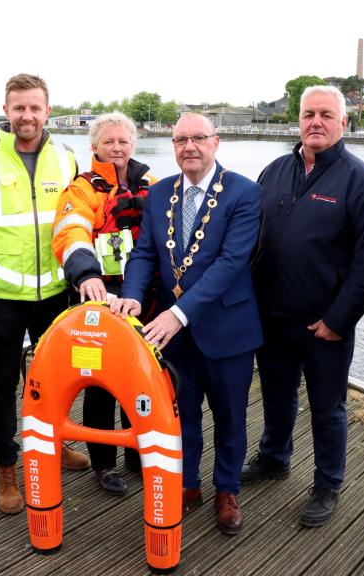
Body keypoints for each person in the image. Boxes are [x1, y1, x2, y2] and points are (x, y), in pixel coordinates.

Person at [242, 85, 364, 528]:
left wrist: (338, 319)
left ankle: (327, 483)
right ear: (299, 119)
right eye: (309, 114)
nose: (316, 122)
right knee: (276, 396)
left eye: (327, 114)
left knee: (328, 408)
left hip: (324, 324)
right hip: (271, 317)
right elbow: (248, 237)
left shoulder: (360, 181)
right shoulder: (274, 171)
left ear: (343, 123)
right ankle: (274, 456)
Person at [110, 113, 262, 535]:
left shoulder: (244, 193)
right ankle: (189, 482)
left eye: (198, 138)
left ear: (216, 142)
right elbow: (143, 253)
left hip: (226, 327)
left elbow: (232, 262)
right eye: (180, 139)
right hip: (168, 330)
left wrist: (178, 314)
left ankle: (227, 490)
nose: (189, 146)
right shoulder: (159, 194)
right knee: (182, 412)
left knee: (230, 415)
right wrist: (134, 298)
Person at [0, 74, 89, 516]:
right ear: (6, 111)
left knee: (55, 379)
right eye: (19, 108)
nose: (27, 116)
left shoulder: (67, 158)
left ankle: (56, 443)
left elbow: (76, 216)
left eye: (35, 107)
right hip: (3, 297)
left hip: (53, 291)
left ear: (47, 111)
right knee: (3, 383)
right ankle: (6, 468)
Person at [52, 112, 156, 495]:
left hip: (143, 302)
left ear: (133, 144)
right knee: (100, 385)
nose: (116, 148)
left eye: (123, 141)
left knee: (141, 379)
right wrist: (86, 273)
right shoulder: (80, 191)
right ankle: (104, 463)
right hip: (99, 302)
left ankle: (136, 452)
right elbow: (71, 232)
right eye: (108, 142)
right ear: (93, 146)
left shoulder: (153, 185)